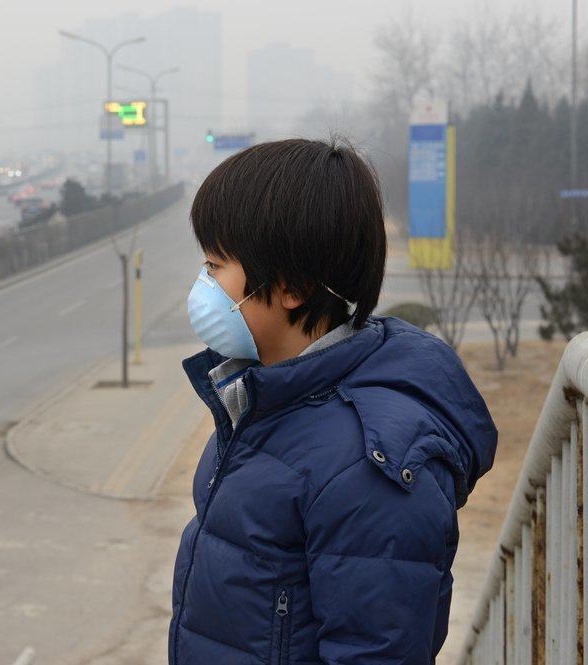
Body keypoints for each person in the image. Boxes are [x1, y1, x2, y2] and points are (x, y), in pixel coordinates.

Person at [169, 138, 497, 664]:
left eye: (215, 266)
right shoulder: (263, 401)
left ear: (293, 286)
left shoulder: (368, 467)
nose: (202, 286)